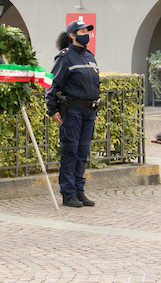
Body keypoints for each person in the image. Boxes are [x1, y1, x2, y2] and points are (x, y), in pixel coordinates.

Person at [44, 19, 100, 208]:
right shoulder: (65, 57)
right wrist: (52, 110)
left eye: (87, 31)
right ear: (72, 36)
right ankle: (68, 194)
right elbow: (52, 84)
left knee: (83, 152)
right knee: (71, 152)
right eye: (82, 31)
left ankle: (79, 191)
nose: (86, 34)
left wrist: (95, 109)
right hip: (73, 111)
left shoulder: (90, 56)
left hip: (88, 112)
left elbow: (94, 85)